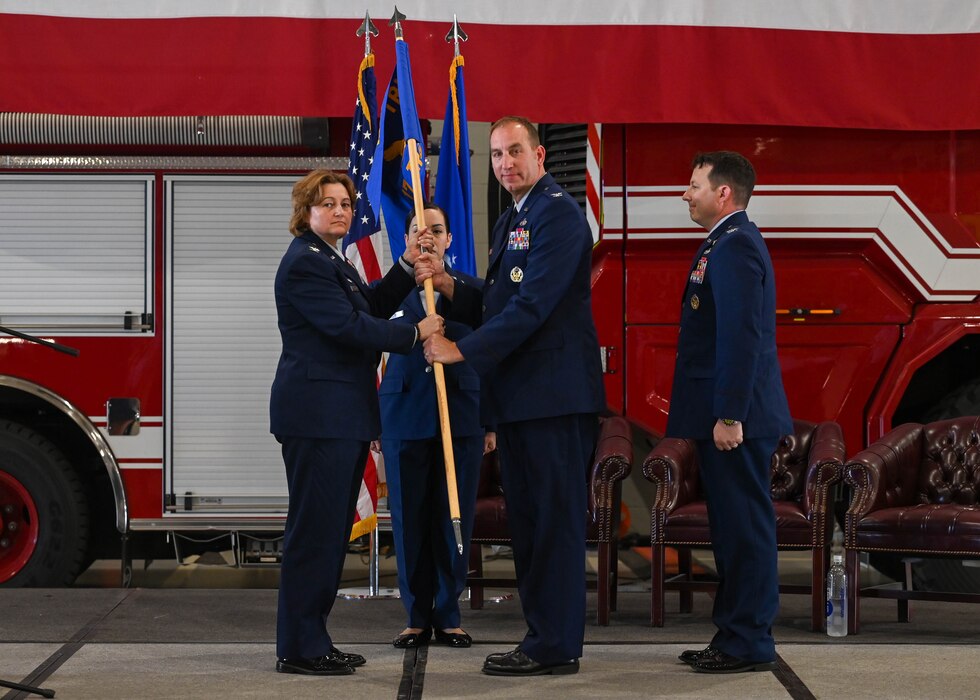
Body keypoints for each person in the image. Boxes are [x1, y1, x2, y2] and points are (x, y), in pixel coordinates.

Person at [421, 116, 605, 676]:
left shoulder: (558, 214)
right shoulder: (514, 219)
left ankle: (554, 646)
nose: (504, 164)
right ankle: (543, 637)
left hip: (552, 399)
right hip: (525, 400)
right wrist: (455, 287)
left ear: (541, 154)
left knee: (551, 525)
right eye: (497, 154)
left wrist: (463, 350)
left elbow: (533, 307)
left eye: (514, 151)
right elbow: (504, 297)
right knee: (531, 525)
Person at [270, 169, 442, 676]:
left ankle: (313, 639)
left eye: (346, 202)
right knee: (314, 535)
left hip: (338, 418)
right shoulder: (305, 263)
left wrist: (407, 262)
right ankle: (301, 647)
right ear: (307, 212)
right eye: (329, 204)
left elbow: (367, 306)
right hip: (318, 418)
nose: (341, 211)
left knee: (327, 534)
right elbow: (348, 328)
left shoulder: (330, 260)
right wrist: (415, 333)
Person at [667, 151, 792, 674]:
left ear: (723, 193)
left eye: (693, 185)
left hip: (736, 420)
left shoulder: (735, 245)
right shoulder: (725, 242)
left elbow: (742, 338)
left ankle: (748, 642)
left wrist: (730, 415)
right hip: (725, 414)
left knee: (743, 529)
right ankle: (733, 633)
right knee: (731, 529)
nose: (685, 194)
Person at [379, 202, 495, 650]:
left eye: (436, 230)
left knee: (453, 518)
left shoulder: (472, 290)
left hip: (462, 416)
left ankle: (448, 613)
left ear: (449, 240)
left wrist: (490, 424)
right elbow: (370, 349)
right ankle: (415, 615)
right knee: (409, 520)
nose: (426, 236)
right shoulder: (390, 291)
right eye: (416, 230)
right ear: (407, 240)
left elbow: (491, 354)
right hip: (403, 415)